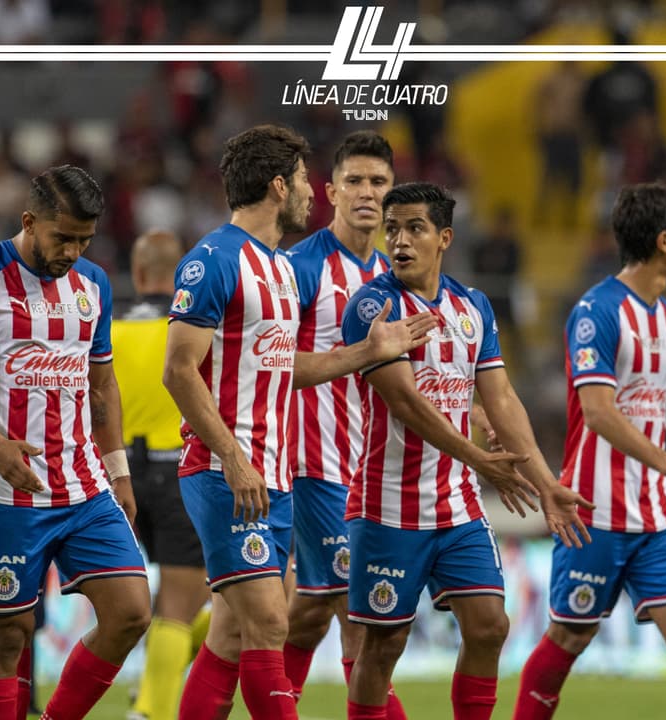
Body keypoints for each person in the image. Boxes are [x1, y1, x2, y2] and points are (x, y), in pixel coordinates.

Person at [162, 124, 439, 720]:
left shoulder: (279, 269)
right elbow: (178, 372)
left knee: (235, 634)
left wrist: (368, 351)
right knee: (274, 622)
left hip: (277, 475)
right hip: (229, 470)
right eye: (308, 181)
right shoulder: (213, 260)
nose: (314, 193)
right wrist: (233, 459)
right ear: (278, 186)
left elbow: (286, 365)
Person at [339, 182, 591, 720]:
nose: (399, 241)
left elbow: (501, 399)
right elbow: (405, 402)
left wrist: (547, 485)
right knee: (382, 646)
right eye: (392, 229)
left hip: (457, 507)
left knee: (490, 626)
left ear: (444, 237)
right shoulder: (373, 307)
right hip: (389, 508)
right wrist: (478, 459)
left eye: (415, 228)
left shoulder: (472, 307)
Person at [0, 165, 152, 720]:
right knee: (8, 635)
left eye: (85, 240)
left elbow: (101, 385)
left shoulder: (94, 284)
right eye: (63, 238)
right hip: (6, 492)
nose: (73, 251)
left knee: (131, 612)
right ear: (29, 222)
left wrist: (119, 471)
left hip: (84, 486)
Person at [512, 183, 666, 720]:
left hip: (655, 513)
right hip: (594, 510)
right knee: (570, 636)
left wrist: (663, 475)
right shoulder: (597, 311)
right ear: (663, 241)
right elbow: (598, 412)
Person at [281, 130, 407, 716]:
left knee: (308, 615)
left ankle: (270, 697)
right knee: (361, 617)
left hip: (373, 472)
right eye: (354, 181)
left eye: (378, 182)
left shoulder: (394, 275)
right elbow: (271, 365)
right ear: (330, 191)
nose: (366, 192)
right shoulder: (299, 268)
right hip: (315, 466)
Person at [111, 229, 209, 720]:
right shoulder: (189, 330)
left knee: (151, 603)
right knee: (182, 604)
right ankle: (151, 709)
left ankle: (150, 684)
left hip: (119, 476)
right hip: (177, 473)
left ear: (138, 272)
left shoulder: (108, 329)